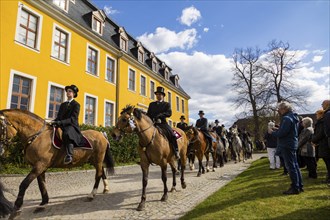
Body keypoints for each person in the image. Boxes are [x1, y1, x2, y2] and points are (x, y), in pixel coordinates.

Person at [269, 101, 303, 195]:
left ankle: (295, 187)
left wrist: (273, 133)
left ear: (284, 109)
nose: (278, 111)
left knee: (291, 166)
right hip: (292, 143)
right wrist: (279, 129)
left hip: (287, 145)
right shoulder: (293, 117)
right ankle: (299, 185)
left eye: (279, 109)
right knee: (295, 165)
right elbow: (287, 130)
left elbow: (282, 133)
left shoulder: (286, 118)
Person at [52, 84, 85, 164]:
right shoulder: (63, 104)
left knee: (67, 133)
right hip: (62, 124)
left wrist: (61, 122)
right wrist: (54, 122)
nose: (68, 92)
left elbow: (73, 118)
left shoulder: (76, 105)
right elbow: (59, 116)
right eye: (67, 91)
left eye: (70, 91)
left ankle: (69, 155)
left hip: (71, 125)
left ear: (73, 94)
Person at [147, 86, 180, 159]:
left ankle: (176, 151)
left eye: (160, 94)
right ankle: (145, 155)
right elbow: (148, 114)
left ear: (163, 96)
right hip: (153, 124)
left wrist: (160, 115)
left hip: (162, 123)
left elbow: (169, 113)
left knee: (172, 134)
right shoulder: (151, 104)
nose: (158, 96)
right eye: (157, 94)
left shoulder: (166, 104)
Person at [312, 109, 330, 184]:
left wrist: (313, 140)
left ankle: (329, 179)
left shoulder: (322, 122)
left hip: (324, 144)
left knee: (328, 162)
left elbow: (321, 133)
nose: (316, 116)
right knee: (327, 163)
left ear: (321, 114)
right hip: (322, 144)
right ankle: (328, 178)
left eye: (317, 114)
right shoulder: (320, 122)